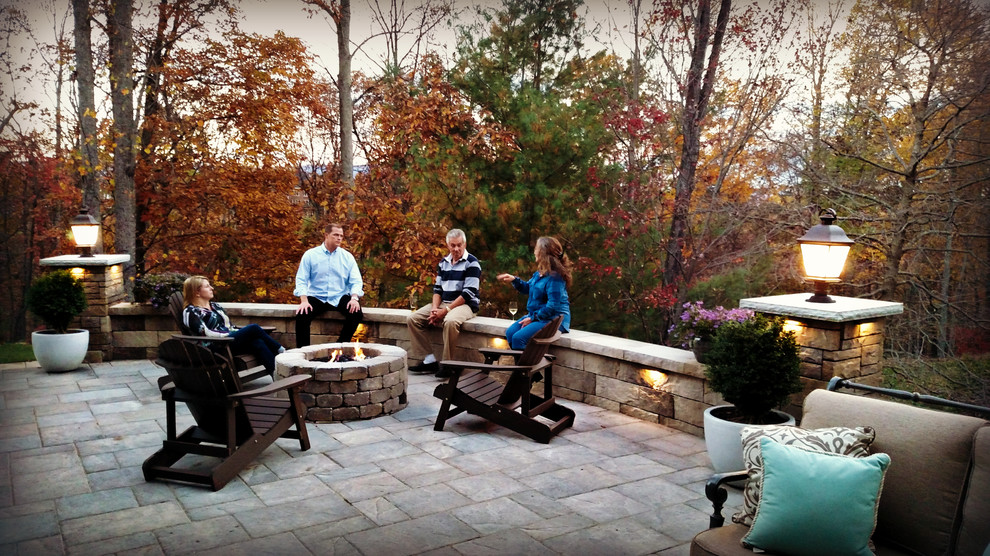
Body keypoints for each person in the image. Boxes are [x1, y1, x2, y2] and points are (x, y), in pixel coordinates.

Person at [407, 228, 481, 377]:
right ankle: (429, 361)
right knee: (412, 319)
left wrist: (445, 311)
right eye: (453, 245)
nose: (456, 249)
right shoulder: (444, 263)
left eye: (459, 245)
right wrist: (435, 309)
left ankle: (448, 365)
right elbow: (437, 289)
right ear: (448, 245)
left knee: (450, 321)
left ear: (465, 244)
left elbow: (468, 293)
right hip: (444, 303)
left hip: (465, 304)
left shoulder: (472, 263)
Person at [181, 275, 285, 373]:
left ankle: (277, 376)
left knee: (258, 342)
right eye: (207, 286)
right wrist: (226, 336)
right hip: (213, 347)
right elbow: (205, 333)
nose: (212, 288)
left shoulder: (215, 306)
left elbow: (229, 326)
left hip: (229, 342)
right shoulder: (190, 311)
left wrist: (238, 333)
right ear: (196, 293)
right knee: (254, 328)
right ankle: (281, 350)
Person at [294, 222, 365, 347]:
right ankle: (303, 352)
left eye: (341, 236)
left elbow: (356, 280)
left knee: (356, 314)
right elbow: (301, 279)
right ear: (326, 235)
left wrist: (354, 298)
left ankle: (339, 348)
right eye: (336, 235)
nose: (339, 238)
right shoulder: (310, 255)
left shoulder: (347, 257)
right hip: (317, 296)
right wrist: (303, 300)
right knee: (302, 316)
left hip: (339, 296)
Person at [496, 236, 572, 350]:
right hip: (539, 315)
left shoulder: (555, 278)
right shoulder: (539, 274)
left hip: (554, 319)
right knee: (510, 333)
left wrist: (533, 318)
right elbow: (527, 288)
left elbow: (553, 306)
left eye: (536, 249)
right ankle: (521, 365)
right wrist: (514, 280)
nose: (534, 252)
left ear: (543, 253)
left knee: (518, 338)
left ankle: (525, 367)